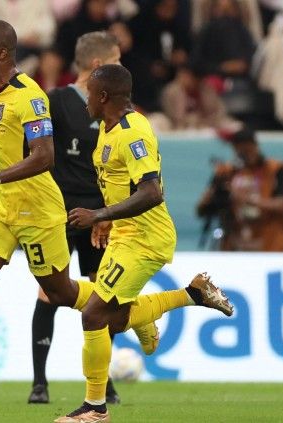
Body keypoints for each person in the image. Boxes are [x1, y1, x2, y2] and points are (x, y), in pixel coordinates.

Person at [0, 19, 99, 416]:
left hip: (36, 207)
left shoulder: (31, 96)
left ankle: (130, 309)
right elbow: (13, 150)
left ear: (2, 54)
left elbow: (44, 156)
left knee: (61, 293)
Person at [57, 64, 234, 423]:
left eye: (89, 93)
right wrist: (108, 219)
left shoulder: (132, 131)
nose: (85, 100)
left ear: (104, 96)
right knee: (115, 319)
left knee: (94, 315)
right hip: (125, 234)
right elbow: (121, 185)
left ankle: (95, 408)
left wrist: (99, 214)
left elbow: (150, 192)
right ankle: (192, 294)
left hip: (146, 238)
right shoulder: (106, 130)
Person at [27, 31, 123, 406]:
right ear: (98, 65)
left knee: (103, 296)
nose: (123, 68)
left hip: (101, 215)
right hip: (59, 212)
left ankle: (104, 381)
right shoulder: (54, 102)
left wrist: (112, 213)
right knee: (49, 291)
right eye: (117, 59)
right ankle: (39, 382)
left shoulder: (117, 110)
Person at [196, 128, 283, 251]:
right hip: (236, 241)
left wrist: (246, 199)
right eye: (240, 149)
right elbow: (202, 210)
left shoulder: (275, 169)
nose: (245, 154)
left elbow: (282, 205)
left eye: (248, 149)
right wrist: (212, 195)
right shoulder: (227, 172)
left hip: (271, 241)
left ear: (255, 146)